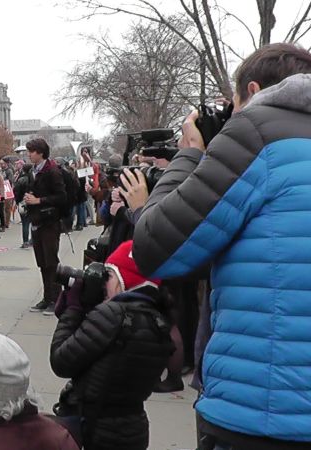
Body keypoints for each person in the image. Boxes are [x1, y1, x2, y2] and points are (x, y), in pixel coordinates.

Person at [133, 43, 311, 449]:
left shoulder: (256, 131)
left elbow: (154, 248)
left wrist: (189, 155)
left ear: (251, 90)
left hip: (262, 413)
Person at [50, 240, 173, 450]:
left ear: (125, 278)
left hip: (95, 429)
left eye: (109, 275)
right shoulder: (157, 319)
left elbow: (61, 361)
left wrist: (74, 307)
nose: (103, 282)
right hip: (131, 428)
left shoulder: (113, 315)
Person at [24, 138, 67, 315]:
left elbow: (61, 197)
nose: (29, 154)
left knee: (51, 261)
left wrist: (39, 200)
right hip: (37, 220)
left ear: (40, 152)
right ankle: (47, 296)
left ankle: (56, 299)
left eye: (31, 151)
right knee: (42, 261)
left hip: (50, 222)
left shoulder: (52, 171)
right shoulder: (35, 171)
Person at [13, 163, 33, 248]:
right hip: (33, 202)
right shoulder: (34, 179)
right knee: (33, 222)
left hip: (22, 202)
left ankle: (25, 242)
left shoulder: (21, 180)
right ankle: (33, 240)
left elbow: (16, 191)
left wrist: (17, 202)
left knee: (25, 223)